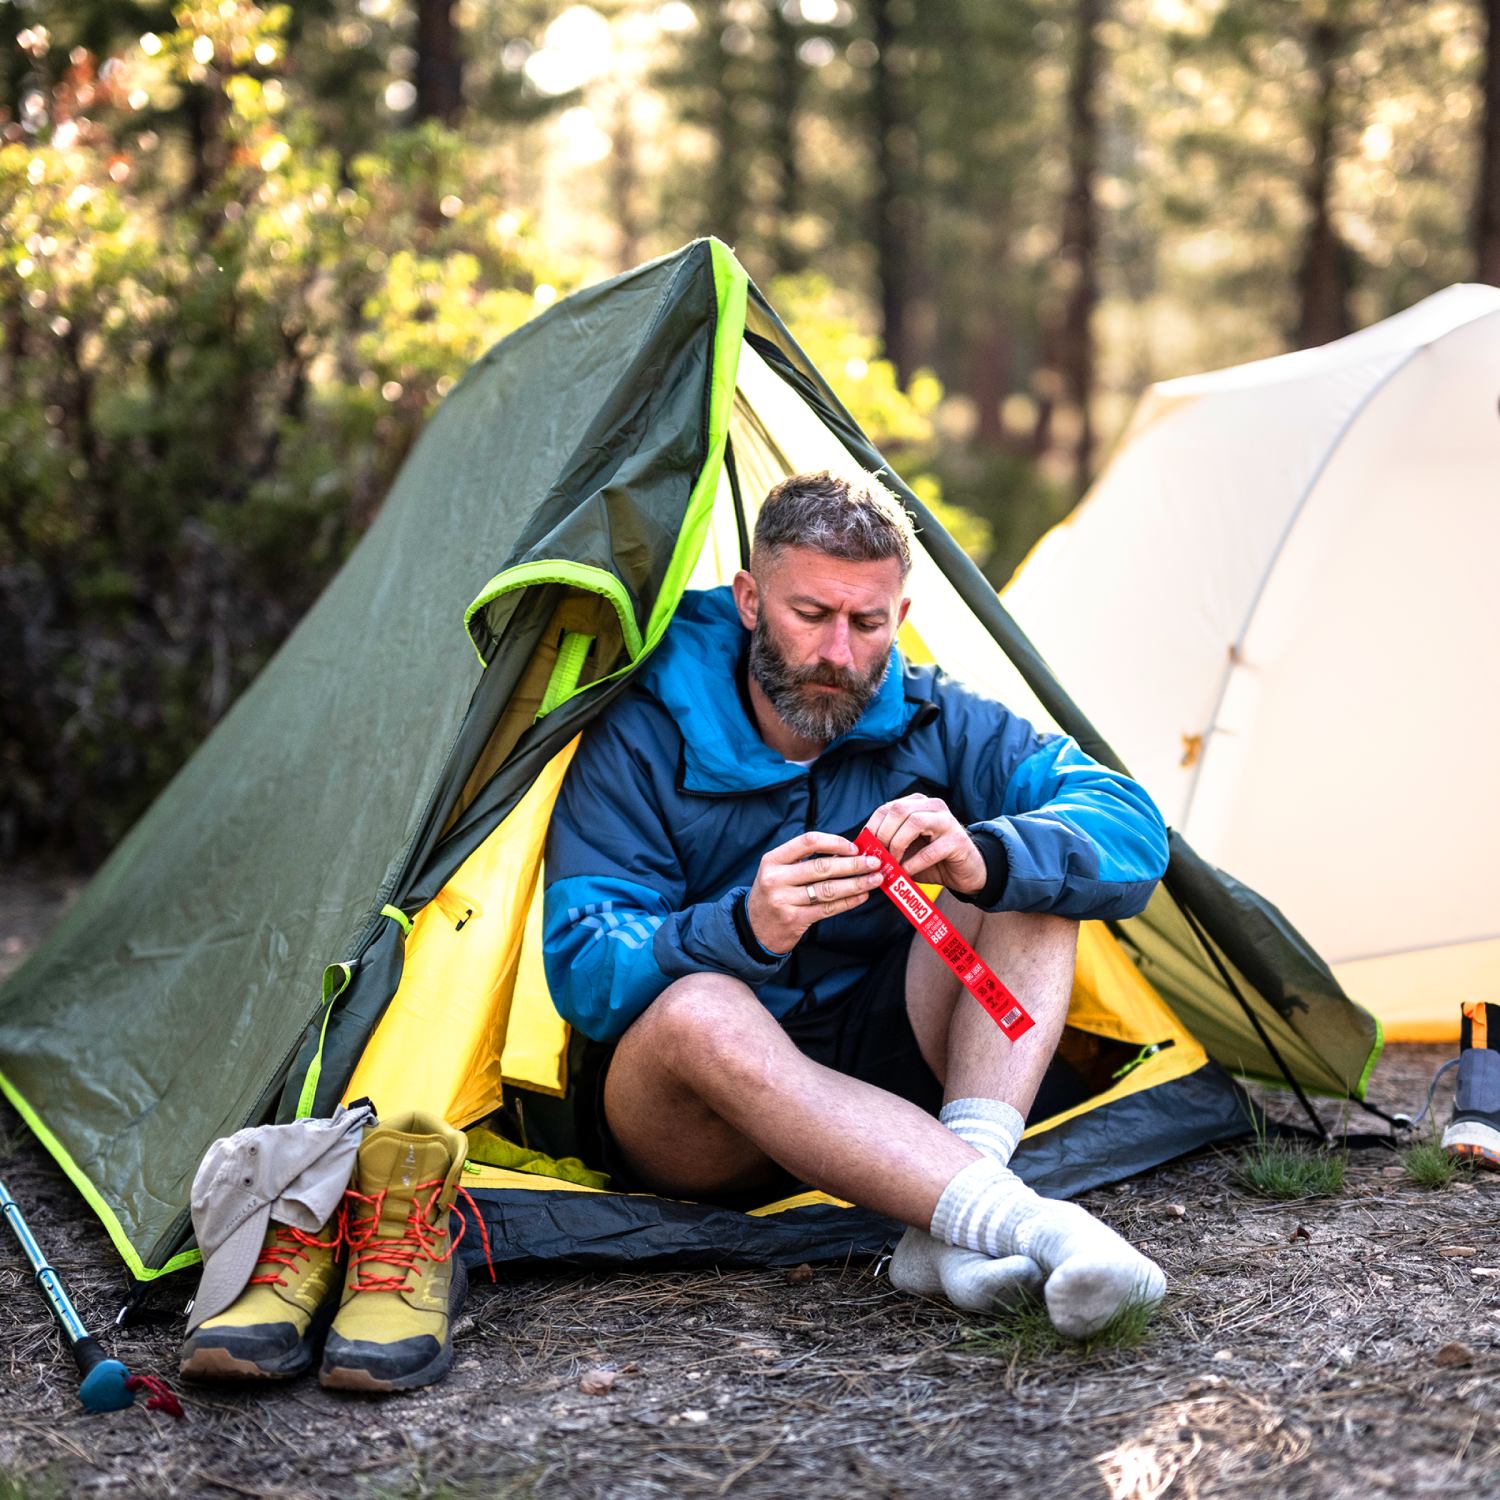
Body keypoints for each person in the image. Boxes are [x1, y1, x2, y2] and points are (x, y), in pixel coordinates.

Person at [542, 469, 1170, 1336]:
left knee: (1032, 882)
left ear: (900, 620)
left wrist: (982, 855)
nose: (839, 652)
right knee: (701, 1012)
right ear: (752, 599)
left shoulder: (934, 715)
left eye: (867, 622)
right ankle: (1025, 1224)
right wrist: (742, 925)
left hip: (885, 1064)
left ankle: (943, 1230)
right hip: (706, 1120)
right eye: (812, 615)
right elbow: (584, 967)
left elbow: (1131, 824)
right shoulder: (638, 732)